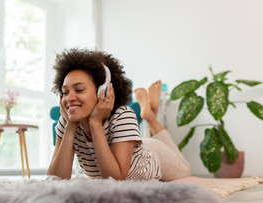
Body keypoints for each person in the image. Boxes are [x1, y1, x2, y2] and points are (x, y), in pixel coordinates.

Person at [48, 48, 191, 181]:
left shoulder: (122, 116)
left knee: (186, 170)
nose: (69, 98)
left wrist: (95, 123)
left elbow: (115, 179)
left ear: (102, 91)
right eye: (65, 92)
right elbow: (55, 179)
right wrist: (71, 127)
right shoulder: (67, 122)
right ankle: (151, 115)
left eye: (79, 90)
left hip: (153, 155)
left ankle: (151, 119)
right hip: (128, 144)